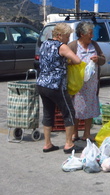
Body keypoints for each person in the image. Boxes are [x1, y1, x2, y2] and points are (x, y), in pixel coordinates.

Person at [36, 23, 82, 153]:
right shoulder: (62, 47)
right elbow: (77, 60)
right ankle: (68, 144)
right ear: (60, 35)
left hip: (42, 84)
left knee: (48, 113)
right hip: (56, 85)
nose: (68, 39)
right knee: (69, 112)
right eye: (67, 36)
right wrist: (69, 61)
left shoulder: (44, 44)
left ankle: (47, 143)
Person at [68, 21, 106, 142]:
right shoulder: (73, 46)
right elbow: (65, 61)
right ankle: (74, 133)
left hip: (91, 84)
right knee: (76, 109)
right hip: (77, 84)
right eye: (90, 33)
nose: (92, 36)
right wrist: (73, 62)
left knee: (90, 107)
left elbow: (103, 59)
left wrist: (97, 59)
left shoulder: (94, 45)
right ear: (82, 34)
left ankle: (87, 133)